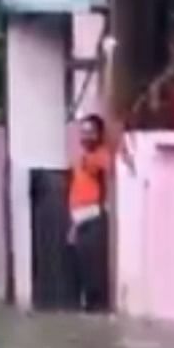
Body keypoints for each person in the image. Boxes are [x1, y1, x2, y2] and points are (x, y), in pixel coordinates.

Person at [67, 114, 113, 312]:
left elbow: (105, 174)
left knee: (94, 276)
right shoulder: (81, 158)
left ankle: (97, 312)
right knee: (83, 274)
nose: (86, 137)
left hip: (93, 220)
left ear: (99, 135)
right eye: (83, 132)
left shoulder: (101, 157)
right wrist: (73, 226)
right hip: (80, 221)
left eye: (90, 133)